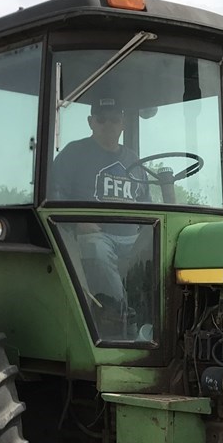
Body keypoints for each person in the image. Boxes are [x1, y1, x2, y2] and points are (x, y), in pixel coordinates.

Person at [49, 96, 152, 335]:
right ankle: (122, 316)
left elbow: (146, 203)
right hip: (94, 235)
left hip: (131, 239)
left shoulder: (134, 160)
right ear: (90, 122)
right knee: (96, 249)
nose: (108, 125)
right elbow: (56, 194)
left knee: (163, 251)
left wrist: (145, 234)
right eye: (101, 119)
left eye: (114, 120)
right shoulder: (74, 153)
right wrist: (78, 222)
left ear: (123, 123)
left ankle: (161, 324)